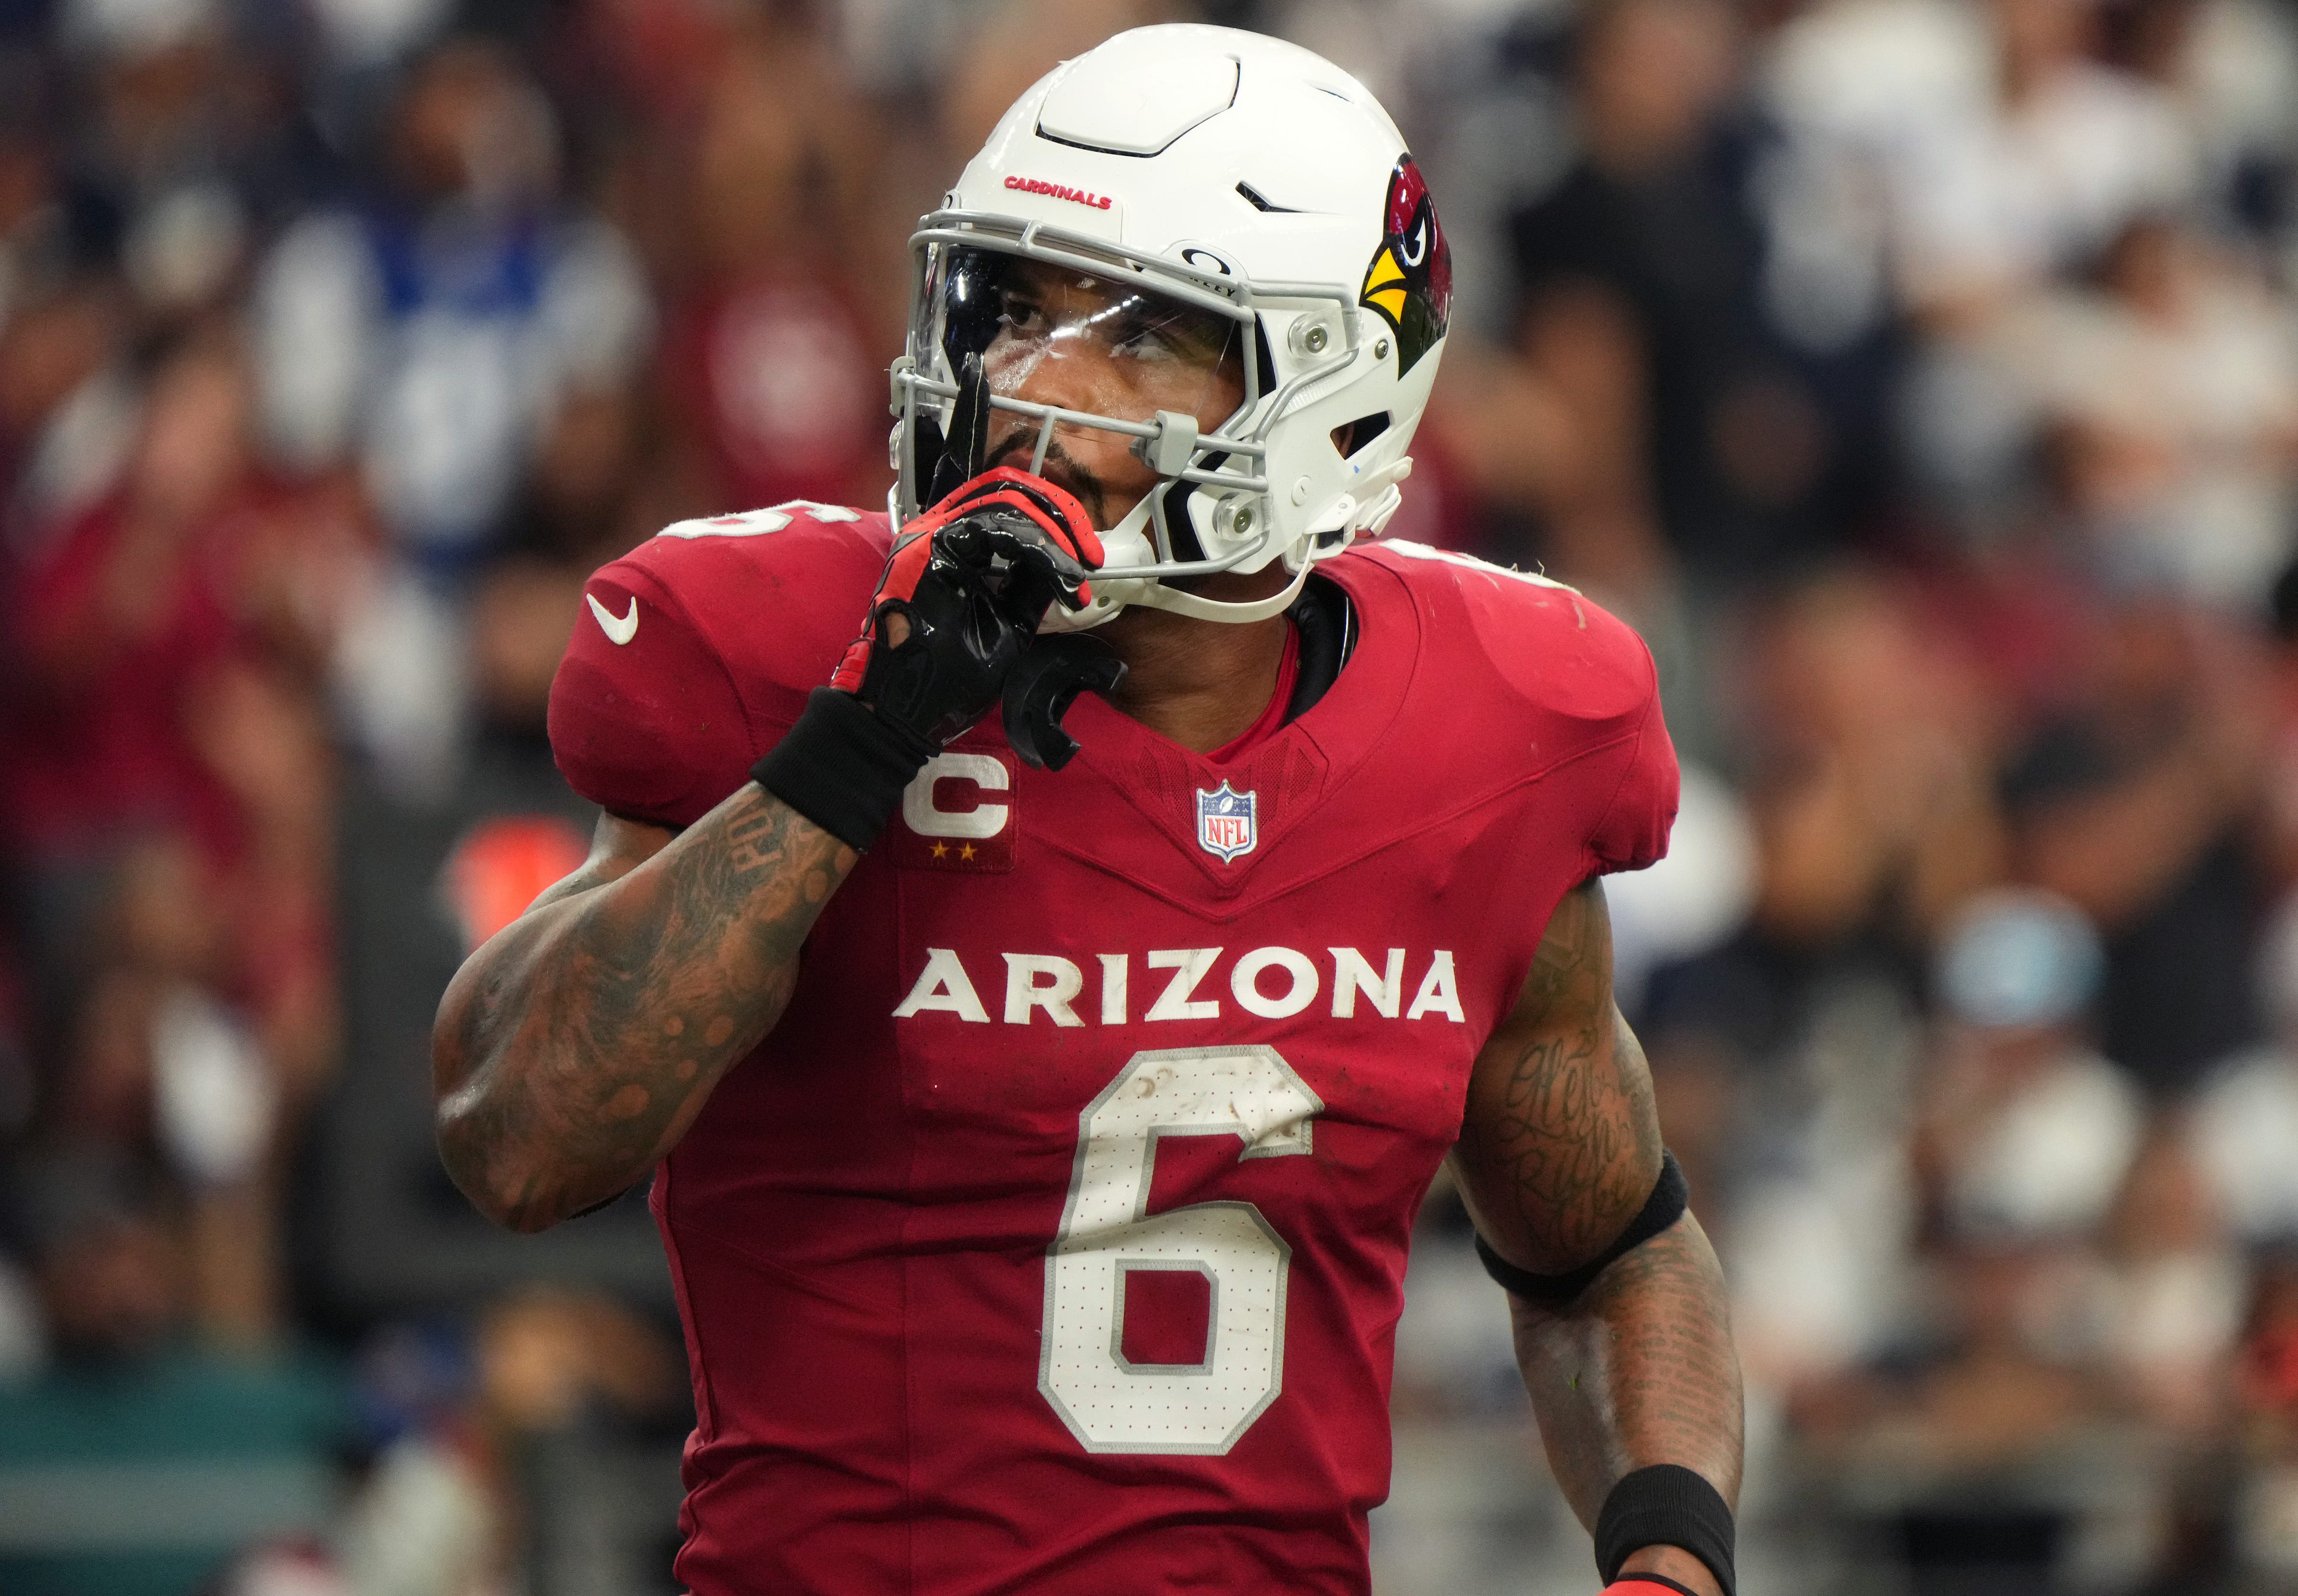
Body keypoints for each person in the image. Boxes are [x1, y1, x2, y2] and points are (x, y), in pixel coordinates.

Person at [431, 25, 1743, 1596]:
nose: (1026, 383)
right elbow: (515, 1139)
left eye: (1137, 334)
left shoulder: (1496, 732)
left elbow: (1610, 1253)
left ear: (1330, 389)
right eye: (1015, 310)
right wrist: (859, 746)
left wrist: (1672, 1560)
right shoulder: (770, 648)